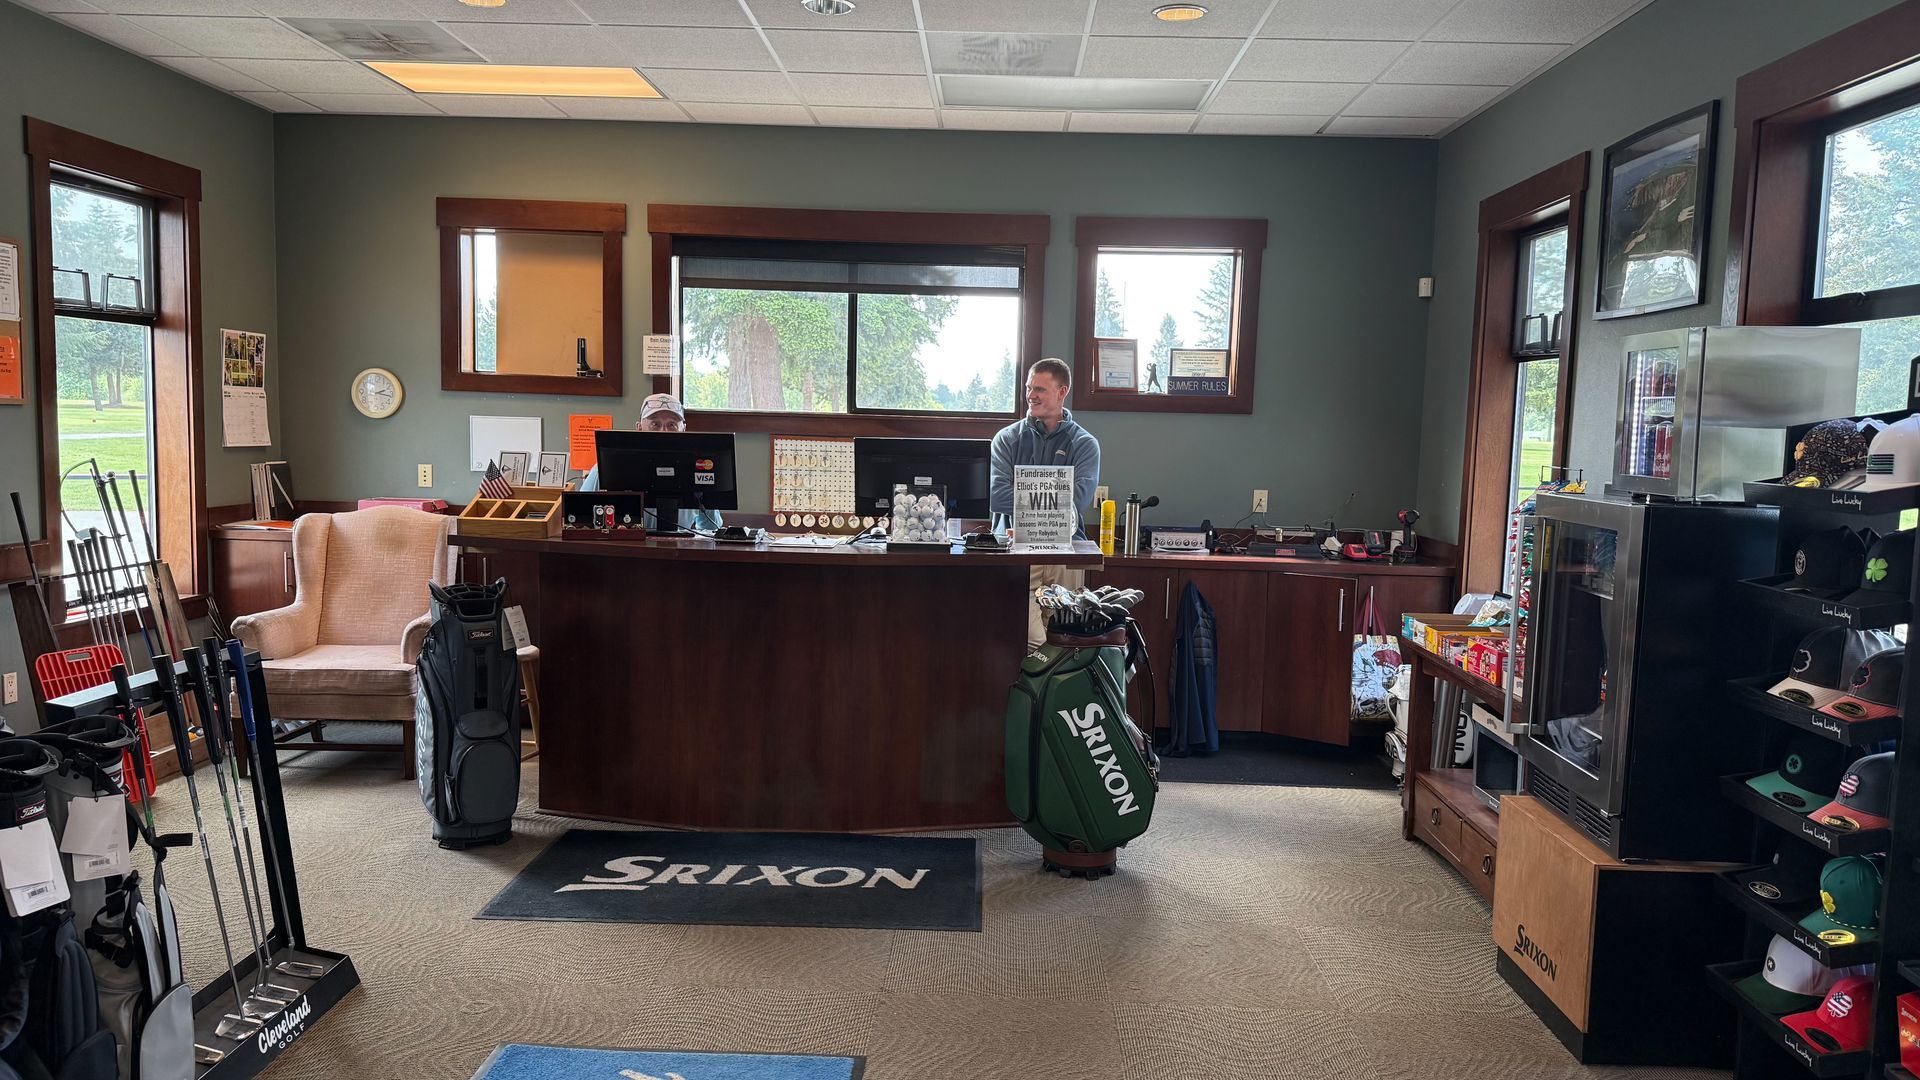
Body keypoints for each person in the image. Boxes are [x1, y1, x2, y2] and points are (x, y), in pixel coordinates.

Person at [990, 357, 1102, 650]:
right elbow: (998, 496)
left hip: (1067, 552)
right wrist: (1054, 493)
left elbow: (1078, 501)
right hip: (1016, 551)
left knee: (1066, 638)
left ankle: (1057, 694)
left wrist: (1025, 490)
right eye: (1029, 388)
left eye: (1039, 388)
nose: (1031, 395)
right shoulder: (1006, 439)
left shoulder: (1085, 444)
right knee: (1029, 638)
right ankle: (1035, 691)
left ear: (1062, 391)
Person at [578, 392, 724, 533]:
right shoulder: (605, 469)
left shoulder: (698, 471)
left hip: (677, 553)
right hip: (626, 553)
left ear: (683, 430)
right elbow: (580, 516)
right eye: (655, 424)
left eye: (672, 425)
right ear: (639, 428)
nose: (663, 432)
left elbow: (711, 527)